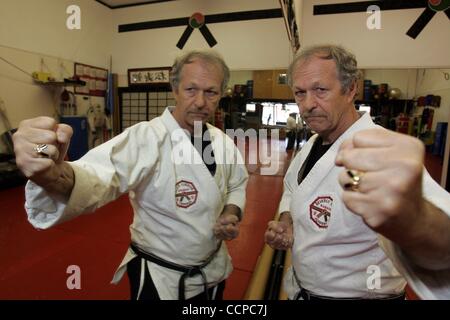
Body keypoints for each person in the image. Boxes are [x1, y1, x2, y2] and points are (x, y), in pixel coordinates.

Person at [13, 50, 249, 300]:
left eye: (211, 92)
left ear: (221, 94)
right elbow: (97, 176)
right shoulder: (145, 138)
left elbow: (237, 183)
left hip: (213, 272)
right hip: (162, 279)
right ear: (175, 88)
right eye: (191, 89)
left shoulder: (222, 142)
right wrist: (54, 175)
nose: (201, 101)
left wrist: (231, 212)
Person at [264, 44, 450, 300]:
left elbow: (443, 246)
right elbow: (292, 190)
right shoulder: (312, 145)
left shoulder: (379, 151)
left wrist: (414, 218)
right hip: (303, 289)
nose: (307, 104)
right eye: (299, 93)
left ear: (351, 89)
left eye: (320, 90)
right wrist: (287, 220)